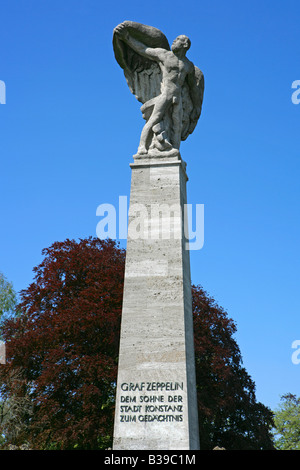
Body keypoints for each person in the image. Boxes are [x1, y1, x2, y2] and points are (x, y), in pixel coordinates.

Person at [114, 24, 201, 154]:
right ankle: (142, 146)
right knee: (153, 119)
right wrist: (126, 38)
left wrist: (196, 107)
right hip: (165, 95)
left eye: (177, 40)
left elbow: (194, 88)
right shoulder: (165, 55)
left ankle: (174, 150)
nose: (174, 41)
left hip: (177, 98)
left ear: (185, 45)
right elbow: (143, 50)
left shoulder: (188, 65)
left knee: (176, 127)